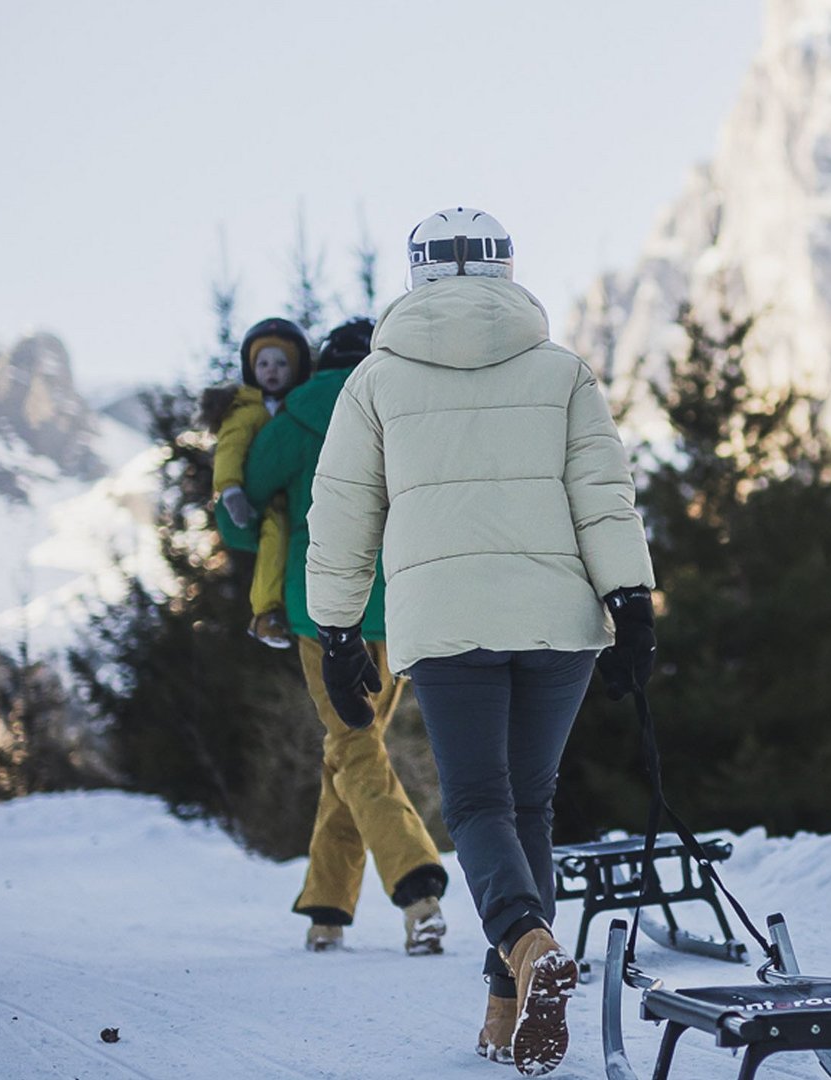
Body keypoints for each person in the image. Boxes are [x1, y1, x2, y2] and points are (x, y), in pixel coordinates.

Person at [304, 206, 655, 1075]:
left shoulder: (375, 380)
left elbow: (343, 513)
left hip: (449, 622)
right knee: (527, 800)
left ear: (417, 273)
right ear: (506, 267)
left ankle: (529, 948)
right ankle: (508, 1009)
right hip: (559, 620)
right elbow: (604, 494)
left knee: (476, 805)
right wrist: (632, 601)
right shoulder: (562, 370)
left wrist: (339, 630)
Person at [243, 315, 451, 956]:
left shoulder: (297, 416)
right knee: (352, 745)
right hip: (396, 605)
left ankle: (418, 891)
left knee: (353, 747)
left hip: (321, 611)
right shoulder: (403, 405)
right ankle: (327, 909)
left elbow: (245, 504)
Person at [205, 317, 311, 648]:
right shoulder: (246, 411)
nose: (272, 370)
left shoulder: (302, 405)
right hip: (271, 501)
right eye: (263, 363)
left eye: (281, 363)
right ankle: (266, 613)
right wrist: (232, 489)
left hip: (304, 492)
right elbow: (230, 449)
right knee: (275, 536)